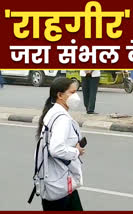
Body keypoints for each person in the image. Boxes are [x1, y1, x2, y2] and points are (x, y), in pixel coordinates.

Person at [36, 78, 85, 211]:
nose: (76, 96)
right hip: (60, 185)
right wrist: (76, 152)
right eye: (72, 92)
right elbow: (56, 149)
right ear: (60, 95)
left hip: (58, 181)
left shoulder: (52, 112)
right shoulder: (62, 119)